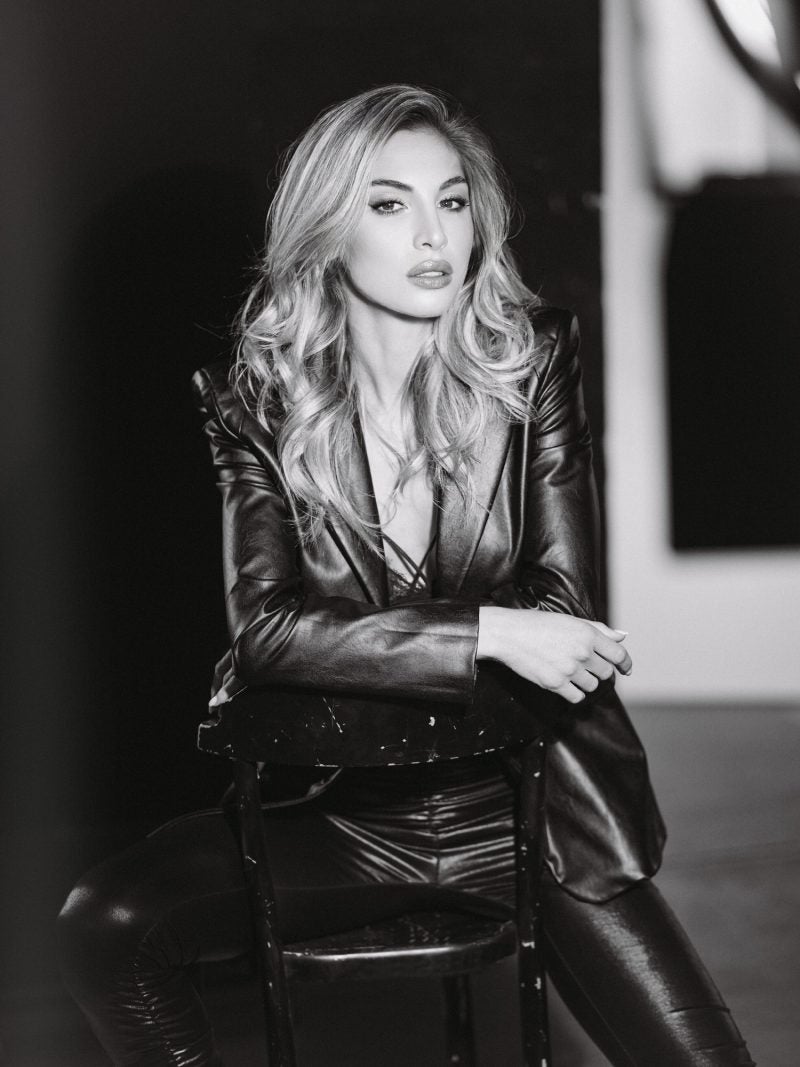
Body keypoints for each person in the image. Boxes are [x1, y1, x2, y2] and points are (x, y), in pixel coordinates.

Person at [57, 85, 754, 1066]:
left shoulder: (531, 362)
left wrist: (369, 637)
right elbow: (267, 630)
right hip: (347, 822)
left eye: (452, 200)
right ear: (327, 231)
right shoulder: (258, 404)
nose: (433, 235)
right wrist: (492, 630)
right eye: (389, 204)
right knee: (104, 921)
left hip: (535, 814)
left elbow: (564, 602)